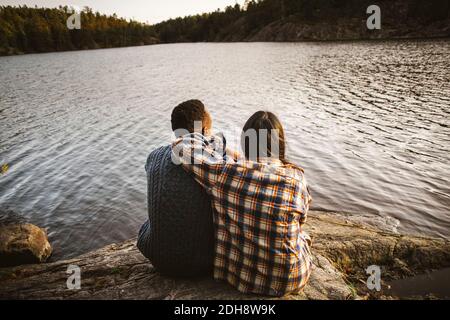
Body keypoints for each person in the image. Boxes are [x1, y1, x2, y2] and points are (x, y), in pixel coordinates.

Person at [172, 111, 313, 296]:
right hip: (290, 280)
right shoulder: (297, 179)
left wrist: (222, 151)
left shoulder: (225, 173)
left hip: (239, 278)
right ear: (279, 144)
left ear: (245, 142)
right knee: (302, 236)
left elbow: (180, 146)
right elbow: (300, 223)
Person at [137, 100, 215, 277]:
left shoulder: (154, 156)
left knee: (150, 220)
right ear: (204, 131)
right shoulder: (212, 159)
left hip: (158, 259)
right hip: (202, 264)